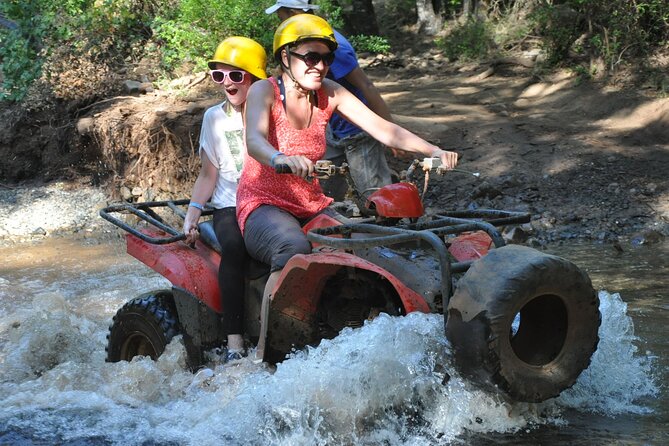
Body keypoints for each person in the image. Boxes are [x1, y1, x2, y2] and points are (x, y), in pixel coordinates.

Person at [238, 15, 458, 358]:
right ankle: (264, 354)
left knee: (368, 243)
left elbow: (384, 129)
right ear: (285, 58)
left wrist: (435, 150)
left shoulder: (331, 94)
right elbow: (253, 139)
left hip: (312, 203)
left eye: (326, 58)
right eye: (311, 57)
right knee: (292, 247)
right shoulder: (264, 90)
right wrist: (278, 156)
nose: (320, 66)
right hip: (263, 203)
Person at [182, 36, 267, 363]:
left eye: (236, 75)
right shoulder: (213, 118)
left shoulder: (272, 111)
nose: (227, 83)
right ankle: (234, 342)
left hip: (266, 202)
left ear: (255, 78)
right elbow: (208, 174)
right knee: (235, 248)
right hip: (229, 205)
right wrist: (192, 215)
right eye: (219, 76)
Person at [265, 0, 395, 203]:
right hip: (331, 130)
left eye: (280, 16)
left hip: (356, 131)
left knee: (375, 197)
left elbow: (366, 85)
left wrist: (391, 131)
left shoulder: (333, 46)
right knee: (325, 191)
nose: (279, 22)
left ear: (292, 13)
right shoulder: (300, 47)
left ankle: (397, 232)